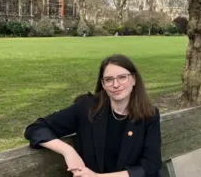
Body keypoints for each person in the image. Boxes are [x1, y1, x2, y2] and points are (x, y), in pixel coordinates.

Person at [24, 54, 161, 177]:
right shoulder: (87, 108)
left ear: (134, 80)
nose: (116, 84)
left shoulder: (149, 115)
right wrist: (68, 151)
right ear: (103, 84)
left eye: (122, 77)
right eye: (109, 79)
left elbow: (150, 167)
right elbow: (36, 129)